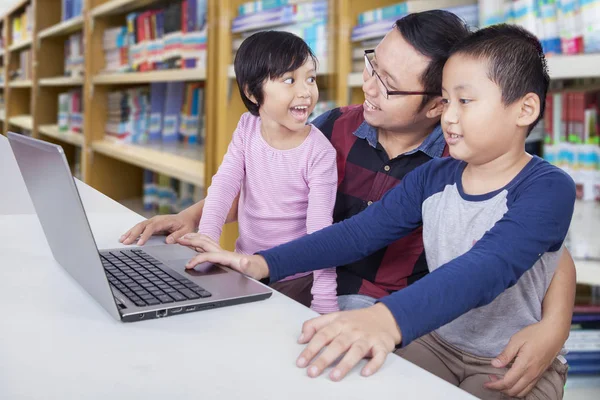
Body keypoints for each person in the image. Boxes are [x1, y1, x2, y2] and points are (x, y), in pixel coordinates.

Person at [120, 11, 576, 396]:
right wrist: (253, 260)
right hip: (406, 324)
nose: (369, 86)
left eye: (389, 84)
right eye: (372, 65)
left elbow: (507, 259)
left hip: (417, 316)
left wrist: (388, 320)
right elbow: (346, 228)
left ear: (434, 104)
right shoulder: (373, 146)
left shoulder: (517, 177)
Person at [180, 31, 341, 313]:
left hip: (296, 279)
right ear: (252, 92)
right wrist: (206, 241)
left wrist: (325, 302)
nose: (305, 91)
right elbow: (225, 184)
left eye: (311, 78)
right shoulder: (247, 128)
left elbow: (321, 233)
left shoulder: (320, 152)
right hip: (245, 266)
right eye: (289, 80)